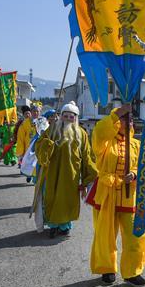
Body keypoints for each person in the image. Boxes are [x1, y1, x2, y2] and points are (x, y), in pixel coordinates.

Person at [87, 103, 145, 287]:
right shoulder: (104, 142)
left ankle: (132, 272)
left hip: (129, 196)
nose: (128, 122)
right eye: (124, 119)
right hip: (107, 194)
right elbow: (99, 130)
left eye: (130, 120)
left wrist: (135, 174)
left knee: (135, 235)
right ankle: (107, 269)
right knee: (105, 236)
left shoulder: (137, 145)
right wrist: (119, 112)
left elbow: (144, 166)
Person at [33, 102, 97, 238]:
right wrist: (48, 144)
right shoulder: (52, 130)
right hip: (52, 173)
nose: (68, 119)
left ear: (76, 118)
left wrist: (89, 178)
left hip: (71, 176)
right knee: (52, 198)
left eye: (71, 117)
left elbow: (87, 156)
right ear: (61, 116)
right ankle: (53, 226)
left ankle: (65, 226)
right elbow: (39, 146)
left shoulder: (82, 134)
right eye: (65, 116)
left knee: (66, 201)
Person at [14, 105, 37, 181]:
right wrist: (20, 150)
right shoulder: (23, 124)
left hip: (38, 146)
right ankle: (29, 175)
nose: (35, 113)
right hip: (28, 147)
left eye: (37, 111)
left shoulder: (41, 121)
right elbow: (20, 137)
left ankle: (34, 177)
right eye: (34, 111)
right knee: (29, 163)